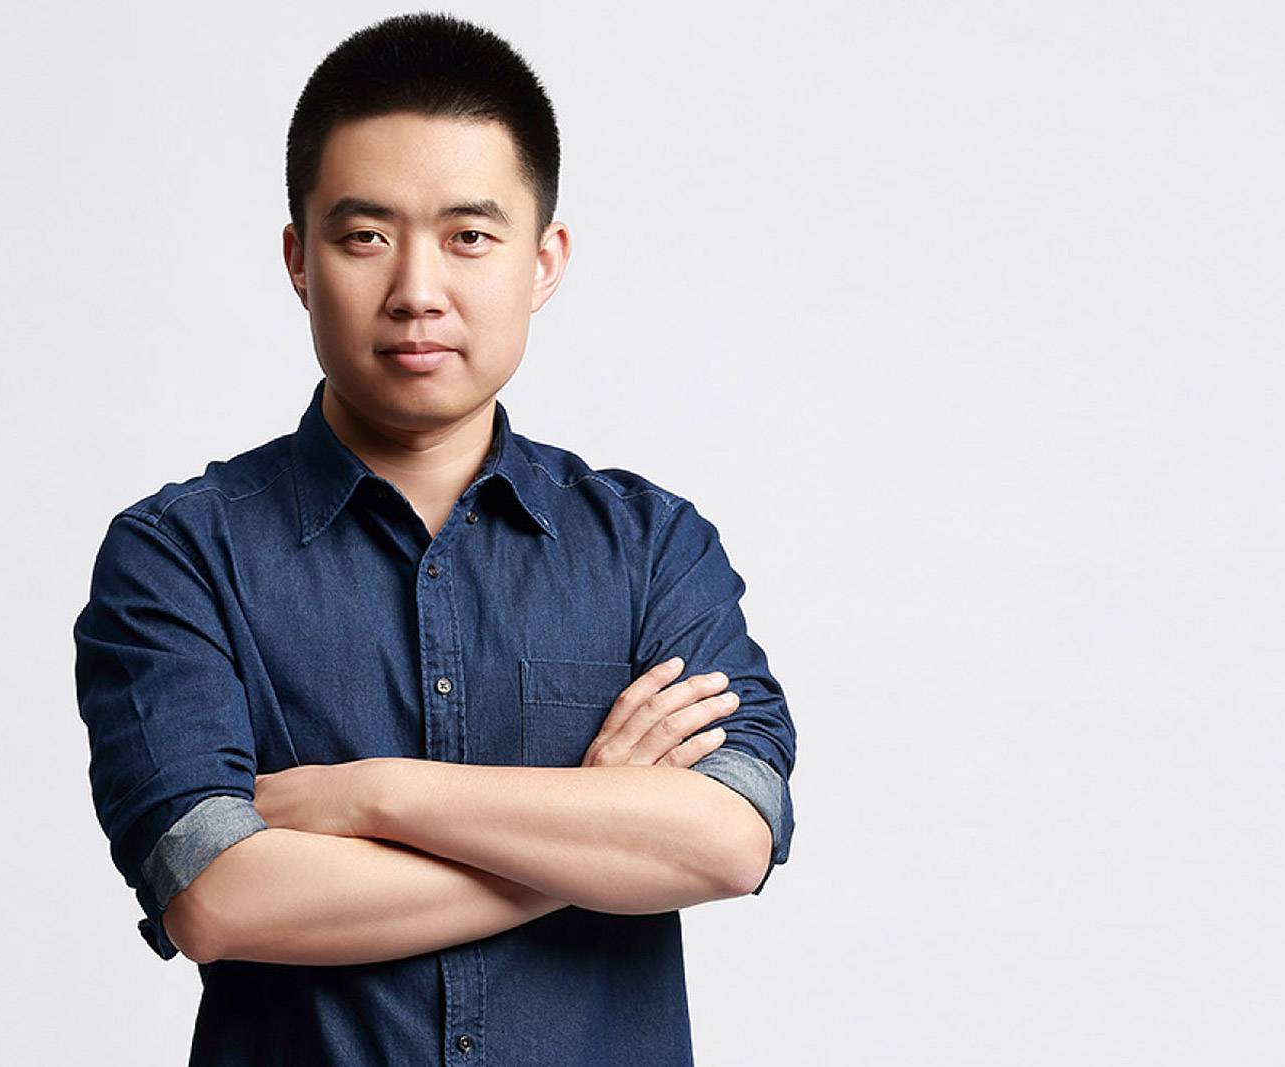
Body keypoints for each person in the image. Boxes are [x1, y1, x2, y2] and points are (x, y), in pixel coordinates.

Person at [72, 12, 796, 1065]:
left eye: (469, 237)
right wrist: (600, 835)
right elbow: (218, 896)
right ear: (299, 259)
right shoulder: (179, 556)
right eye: (366, 237)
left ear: (543, 260)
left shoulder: (651, 549)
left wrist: (370, 794)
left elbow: (731, 836)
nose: (417, 292)